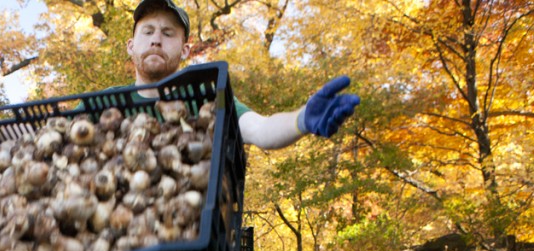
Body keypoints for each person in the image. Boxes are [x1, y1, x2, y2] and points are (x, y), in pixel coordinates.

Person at [128, 0, 360, 149]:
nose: (156, 40)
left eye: (168, 33)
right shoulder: (104, 106)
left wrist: (301, 119)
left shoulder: (206, 98)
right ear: (131, 45)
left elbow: (261, 129)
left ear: (185, 50)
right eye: (148, 31)